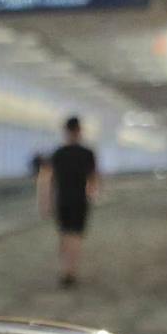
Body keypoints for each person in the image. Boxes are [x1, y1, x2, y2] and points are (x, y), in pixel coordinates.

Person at [44, 116, 99, 288]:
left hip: (62, 199)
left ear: (66, 131)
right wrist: (92, 194)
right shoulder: (88, 153)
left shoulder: (58, 153)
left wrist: (45, 201)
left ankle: (64, 269)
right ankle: (72, 270)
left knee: (64, 234)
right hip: (80, 200)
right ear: (79, 131)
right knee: (76, 235)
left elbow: (48, 179)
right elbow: (94, 178)